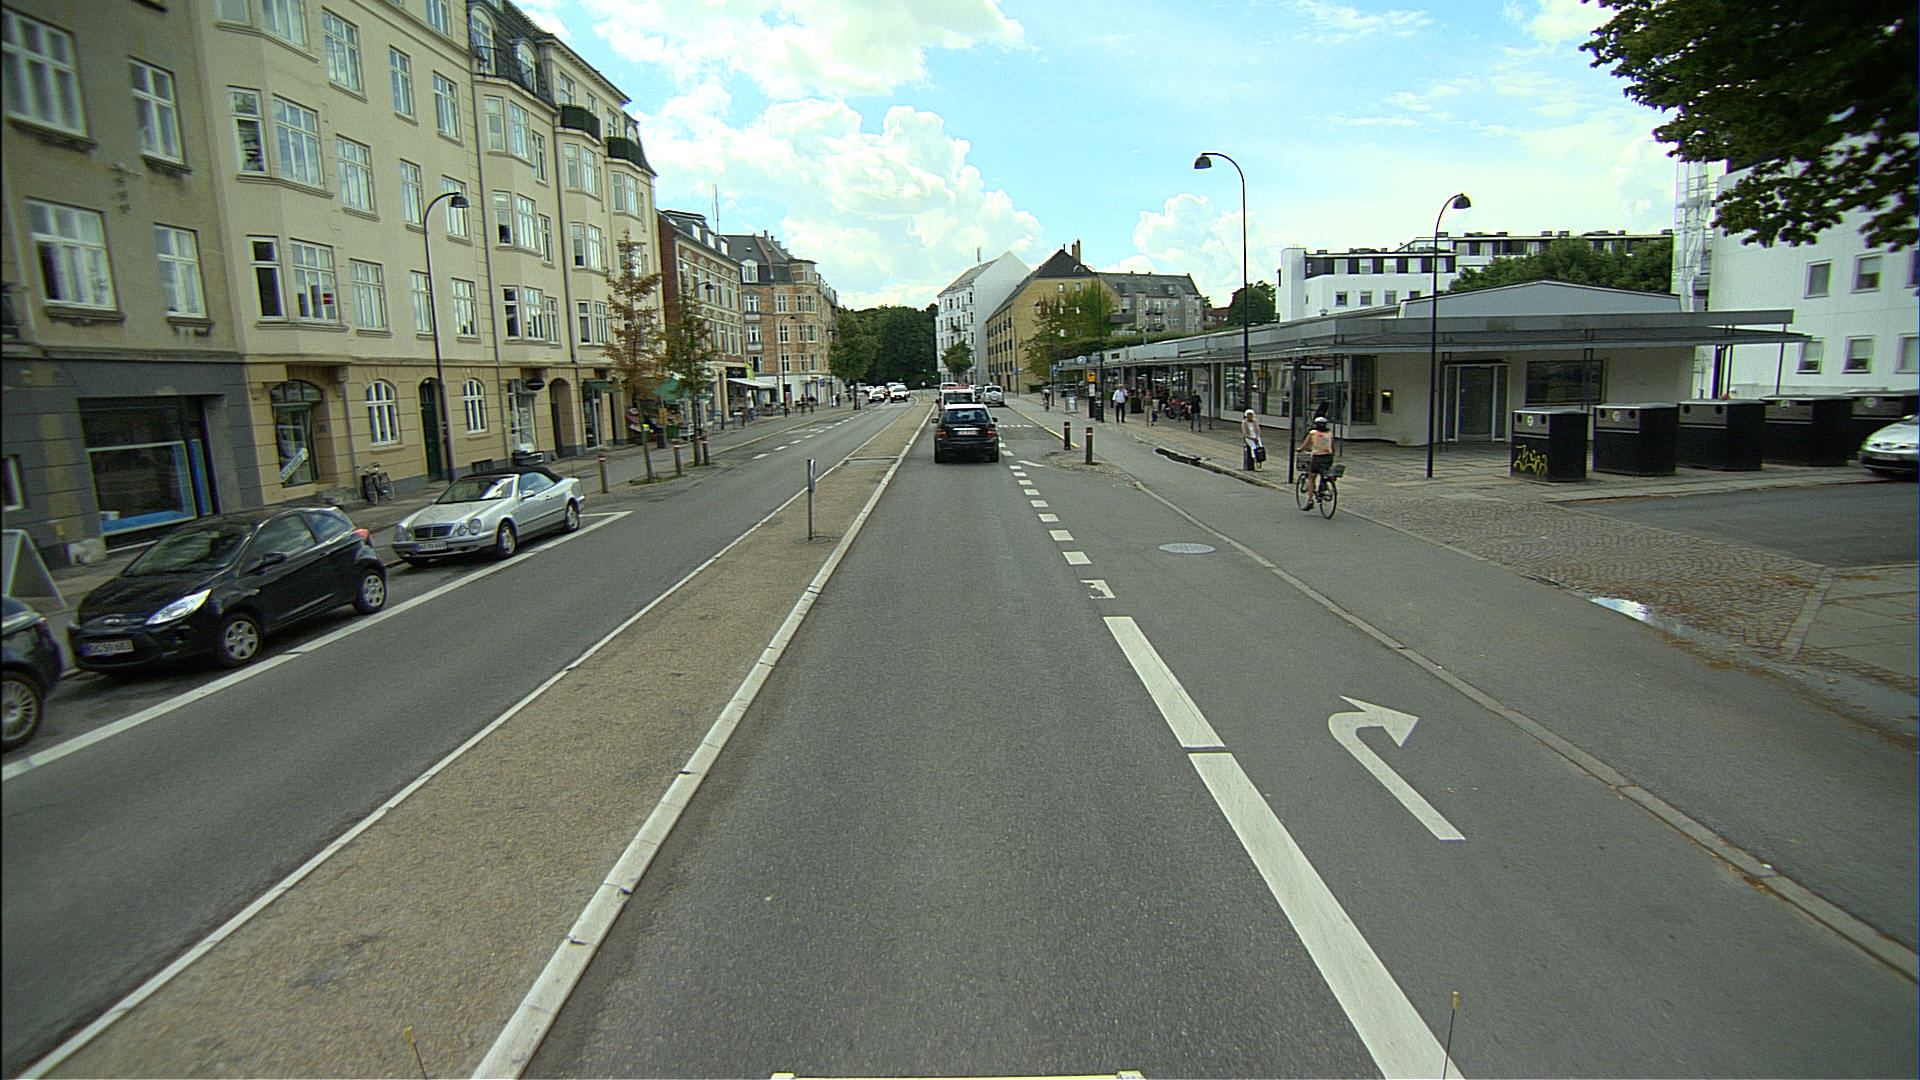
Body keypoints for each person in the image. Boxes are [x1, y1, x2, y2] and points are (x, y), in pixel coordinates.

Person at [1298, 415, 1336, 507]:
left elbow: (1305, 445)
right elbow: (1332, 447)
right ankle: (1324, 486)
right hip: (1328, 457)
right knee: (1324, 473)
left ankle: (1310, 500)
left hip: (1317, 457)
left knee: (1311, 477)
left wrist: (1299, 449)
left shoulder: (1313, 433)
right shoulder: (1329, 434)